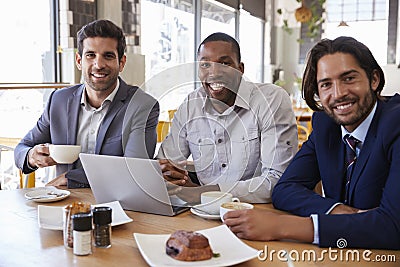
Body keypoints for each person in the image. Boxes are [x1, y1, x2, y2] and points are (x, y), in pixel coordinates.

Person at [223, 36, 400, 250]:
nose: (338, 94)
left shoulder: (395, 125)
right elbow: (285, 189)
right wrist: (338, 210)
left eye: (349, 79)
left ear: (374, 79)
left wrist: (281, 226)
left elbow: (392, 226)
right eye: (326, 84)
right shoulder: (326, 125)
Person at [14, 19, 159, 188]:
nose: (98, 65)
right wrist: (31, 156)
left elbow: (134, 169)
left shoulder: (142, 105)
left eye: (108, 56)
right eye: (90, 55)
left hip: (117, 206)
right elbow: (21, 149)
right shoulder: (58, 101)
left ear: (122, 63)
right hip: (63, 206)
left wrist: (71, 178)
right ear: (79, 61)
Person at [157, 32, 298, 203]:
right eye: (205, 65)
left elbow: (277, 180)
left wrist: (206, 193)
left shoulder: (271, 99)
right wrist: (171, 177)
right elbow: (166, 165)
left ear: (240, 69)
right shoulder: (191, 105)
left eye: (224, 63)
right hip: (201, 211)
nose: (214, 73)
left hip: (258, 211)